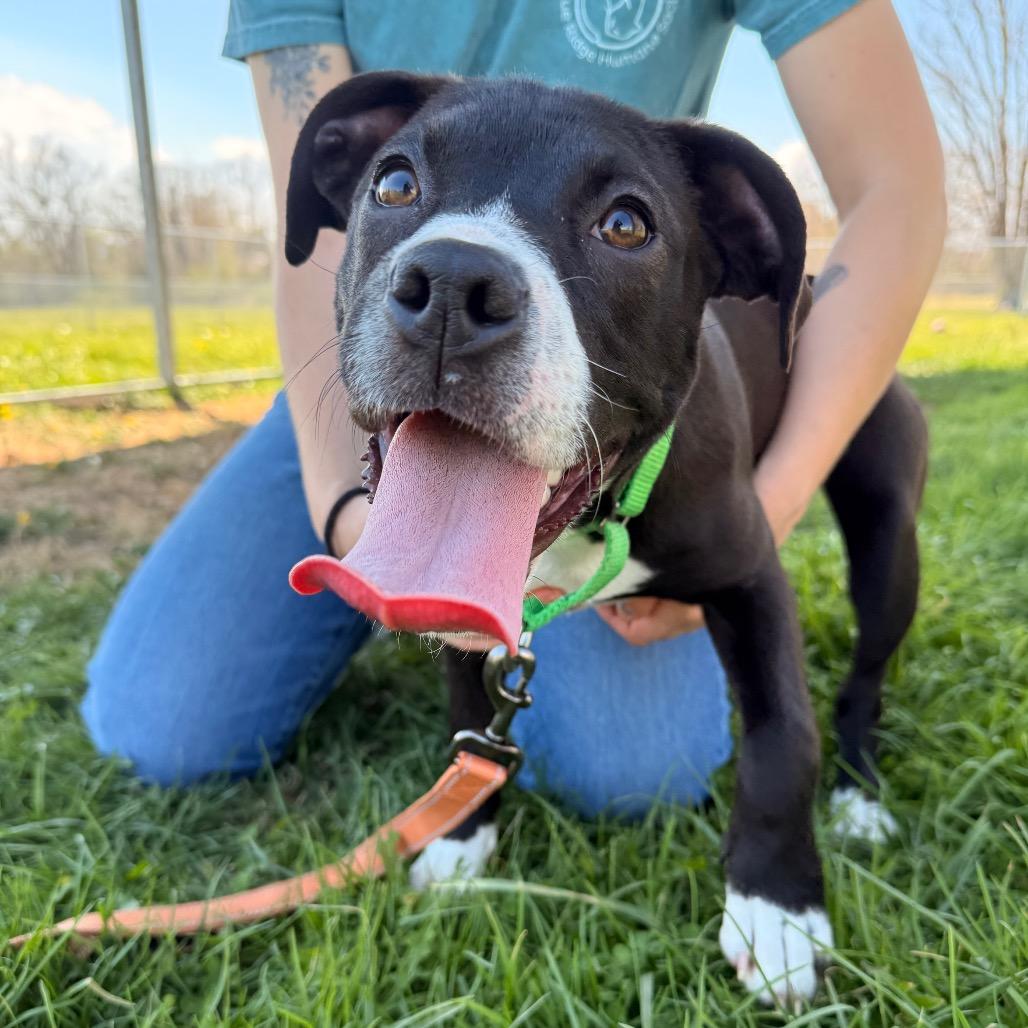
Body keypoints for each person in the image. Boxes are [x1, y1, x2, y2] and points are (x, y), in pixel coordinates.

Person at [82, 0, 944, 818]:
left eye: (624, 223)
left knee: (635, 774)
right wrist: (342, 502)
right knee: (159, 721)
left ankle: (865, 705)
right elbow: (308, 251)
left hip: (611, 409)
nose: (460, 277)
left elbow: (893, 188)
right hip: (391, 377)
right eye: (394, 188)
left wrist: (771, 501)